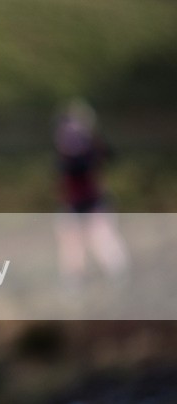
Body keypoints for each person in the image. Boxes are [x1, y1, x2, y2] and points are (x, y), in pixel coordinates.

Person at [52, 98, 128, 287]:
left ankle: (120, 280)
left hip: (95, 202)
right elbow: (66, 168)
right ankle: (74, 284)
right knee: (71, 247)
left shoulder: (91, 146)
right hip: (72, 204)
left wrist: (88, 142)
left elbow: (106, 157)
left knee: (103, 241)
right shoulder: (67, 150)